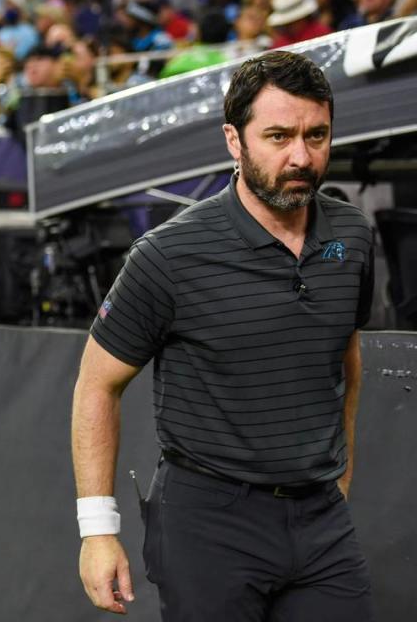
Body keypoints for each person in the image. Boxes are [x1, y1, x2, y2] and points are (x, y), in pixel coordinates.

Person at [72, 50, 374, 621]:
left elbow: (345, 357)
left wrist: (341, 475)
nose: (301, 157)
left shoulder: (353, 237)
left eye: (317, 136)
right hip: (207, 524)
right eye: (279, 136)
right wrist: (97, 531)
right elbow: (95, 386)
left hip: (321, 524)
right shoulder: (169, 254)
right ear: (234, 141)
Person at [267, 0, 333, 48]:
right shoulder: (280, 44)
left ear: (303, 18)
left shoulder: (321, 33)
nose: (291, 26)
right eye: (288, 23)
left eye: (294, 22)